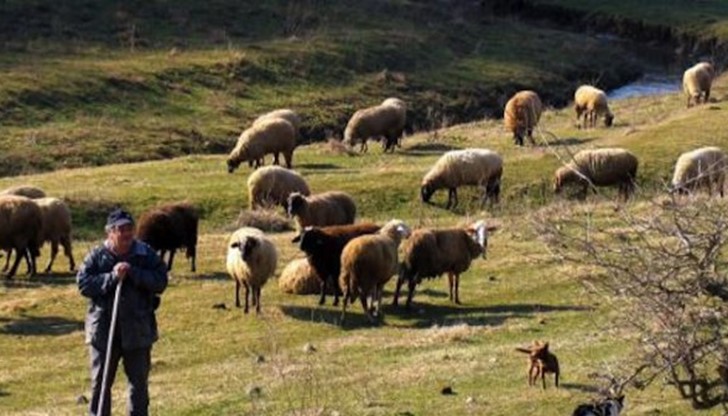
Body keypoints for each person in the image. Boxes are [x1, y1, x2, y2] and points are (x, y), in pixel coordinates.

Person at [77, 208, 168, 416]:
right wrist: (111, 278)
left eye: (130, 228)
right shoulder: (97, 256)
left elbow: (160, 280)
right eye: (121, 229)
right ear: (110, 232)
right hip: (103, 332)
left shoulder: (144, 254)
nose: (127, 234)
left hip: (137, 331)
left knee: (139, 386)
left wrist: (134, 273)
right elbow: (83, 284)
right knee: (100, 385)